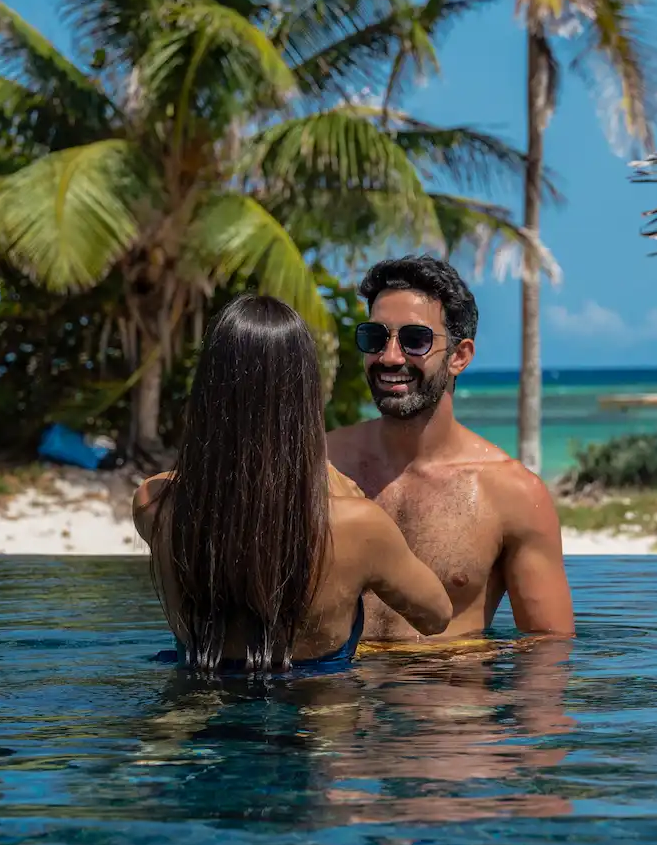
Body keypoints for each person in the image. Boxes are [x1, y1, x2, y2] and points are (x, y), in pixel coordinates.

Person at [134, 295, 452, 672]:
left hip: (196, 704)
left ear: (208, 391)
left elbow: (231, 509)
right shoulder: (358, 525)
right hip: (317, 717)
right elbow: (436, 616)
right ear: (304, 397)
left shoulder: (155, 504)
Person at [327, 255, 575, 641]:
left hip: (446, 693)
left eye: (415, 340)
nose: (390, 357)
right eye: (375, 338)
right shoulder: (320, 464)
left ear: (459, 356)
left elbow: (548, 655)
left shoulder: (514, 496)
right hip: (332, 697)